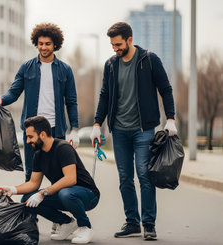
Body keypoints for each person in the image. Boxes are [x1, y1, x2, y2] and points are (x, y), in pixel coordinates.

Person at [90, 22, 178, 240]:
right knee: (124, 177)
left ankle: (148, 224)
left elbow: (165, 90)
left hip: (143, 130)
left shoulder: (149, 60)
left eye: (118, 44)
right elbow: (104, 95)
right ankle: (132, 222)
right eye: (112, 45)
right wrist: (96, 124)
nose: (115, 48)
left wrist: (170, 119)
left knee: (144, 175)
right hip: (118, 131)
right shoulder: (111, 64)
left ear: (129, 39)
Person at [0, 22, 79, 182]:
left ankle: (55, 206)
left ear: (55, 45)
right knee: (31, 174)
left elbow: (71, 101)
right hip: (32, 130)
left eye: (47, 44)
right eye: (40, 44)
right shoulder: (26, 67)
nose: (44, 47)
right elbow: (14, 92)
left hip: (56, 130)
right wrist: (0, 100)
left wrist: (75, 129)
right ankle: (29, 206)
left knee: (59, 176)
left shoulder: (65, 70)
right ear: (36, 44)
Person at [0, 116, 99, 244]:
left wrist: (43, 192)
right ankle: (66, 223)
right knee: (27, 199)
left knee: (65, 193)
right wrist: (13, 189)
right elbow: (33, 183)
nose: (28, 141)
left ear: (43, 134)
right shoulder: (38, 155)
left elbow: (70, 179)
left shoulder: (63, 148)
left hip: (88, 195)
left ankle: (85, 227)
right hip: (66, 195)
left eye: (30, 136)